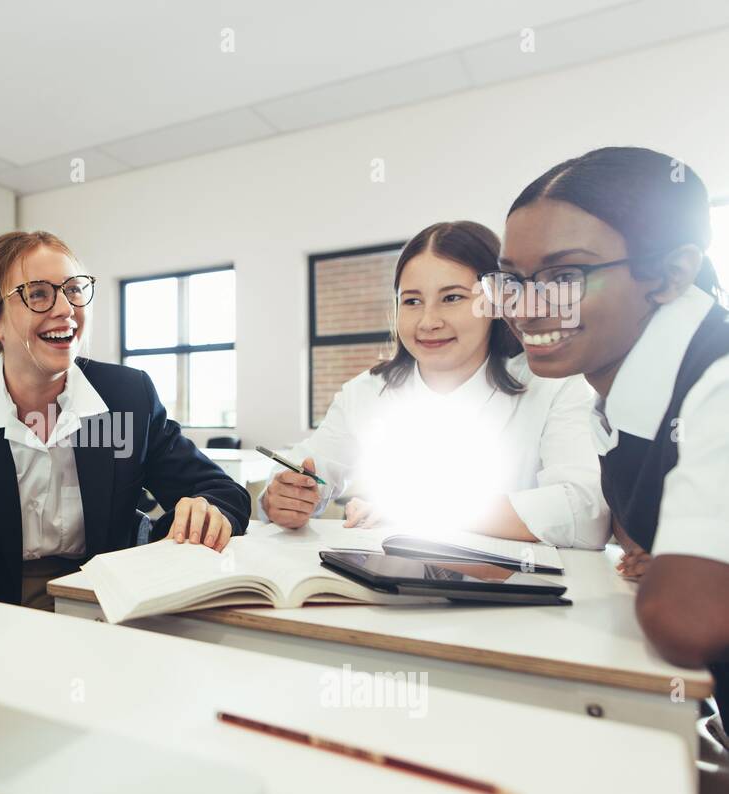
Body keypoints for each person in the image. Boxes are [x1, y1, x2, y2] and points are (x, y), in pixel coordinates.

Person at [495, 146, 729, 709]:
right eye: (511, 280)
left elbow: (685, 619)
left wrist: (676, 574)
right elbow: (639, 544)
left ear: (672, 273)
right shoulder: (615, 388)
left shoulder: (718, 379)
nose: (526, 309)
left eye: (566, 275)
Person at [0, 230, 251, 609]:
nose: (65, 309)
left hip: (103, 597)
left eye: (73, 289)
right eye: (38, 293)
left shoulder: (126, 396)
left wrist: (206, 509)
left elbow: (224, 493)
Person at [261, 221, 608, 548]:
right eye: (412, 301)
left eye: (452, 298)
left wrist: (423, 508)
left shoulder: (553, 385)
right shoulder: (367, 391)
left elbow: (585, 510)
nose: (428, 322)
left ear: (495, 300)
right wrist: (287, 496)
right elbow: (312, 465)